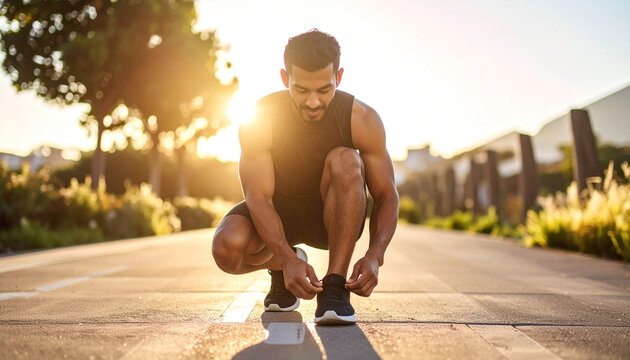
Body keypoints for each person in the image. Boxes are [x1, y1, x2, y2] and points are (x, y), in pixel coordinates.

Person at [212, 29, 398, 325]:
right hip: (277, 213)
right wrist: (286, 260)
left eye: (324, 90)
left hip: (333, 215)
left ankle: (334, 288)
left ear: (338, 78)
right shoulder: (260, 119)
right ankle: (284, 269)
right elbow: (258, 197)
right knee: (226, 249)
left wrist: (376, 254)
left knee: (347, 159)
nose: (313, 102)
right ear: (286, 79)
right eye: (301, 90)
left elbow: (387, 194)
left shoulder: (362, 120)